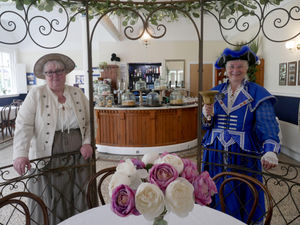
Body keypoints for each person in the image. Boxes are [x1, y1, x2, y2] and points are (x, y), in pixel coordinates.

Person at [201, 46, 280, 224]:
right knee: (215, 187)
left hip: (243, 154)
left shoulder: (257, 93)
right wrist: (207, 115)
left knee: (243, 190)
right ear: (226, 69)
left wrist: (270, 150)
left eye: (240, 66)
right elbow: (206, 126)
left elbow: (267, 124)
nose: (235, 70)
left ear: (246, 69)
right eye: (232, 66)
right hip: (215, 151)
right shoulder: (215, 91)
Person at [12, 53, 93, 224]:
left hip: (79, 155)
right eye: (50, 72)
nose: (54, 75)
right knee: (50, 195)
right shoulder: (36, 94)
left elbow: (91, 120)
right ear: (44, 75)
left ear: (65, 73)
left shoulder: (77, 93)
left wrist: (87, 143)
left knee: (79, 192)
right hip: (47, 155)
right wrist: (21, 153)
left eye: (59, 71)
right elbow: (23, 124)